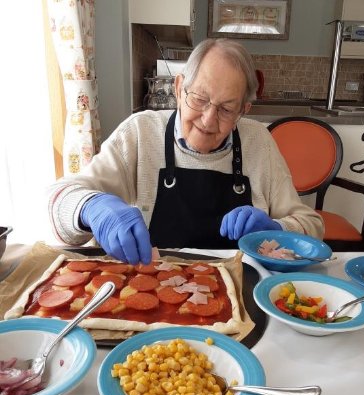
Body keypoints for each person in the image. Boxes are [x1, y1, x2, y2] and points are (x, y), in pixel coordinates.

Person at [48, 38, 323, 265]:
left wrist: (278, 231)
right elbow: (57, 205)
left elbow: (312, 227)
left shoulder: (259, 141)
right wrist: (91, 208)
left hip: (241, 291)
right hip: (151, 294)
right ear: (179, 89)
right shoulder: (141, 132)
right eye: (200, 99)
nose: (208, 120)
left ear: (243, 111)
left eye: (226, 109)